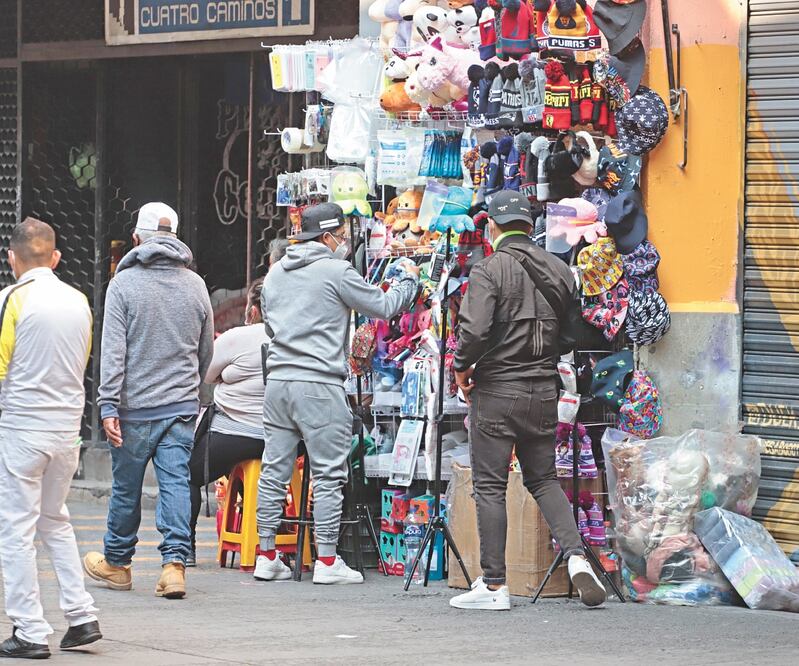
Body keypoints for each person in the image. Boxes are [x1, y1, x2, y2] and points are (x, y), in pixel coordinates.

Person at [450, 191, 606, 611]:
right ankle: (577, 556)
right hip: (543, 392)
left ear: (492, 227)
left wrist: (461, 367)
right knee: (543, 479)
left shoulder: (489, 269)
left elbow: (474, 331)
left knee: (490, 486)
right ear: (528, 224)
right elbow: (571, 336)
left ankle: (494, 585)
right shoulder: (560, 269)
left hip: (498, 391)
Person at [255, 202, 419, 584]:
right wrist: (408, 282)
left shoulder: (275, 274)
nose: (344, 242)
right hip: (318, 385)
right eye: (342, 236)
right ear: (327, 237)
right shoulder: (336, 271)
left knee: (273, 470)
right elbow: (382, 306)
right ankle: (327, 561)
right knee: (329, 474)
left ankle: (266, 555)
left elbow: (270, 328)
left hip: (277, 384)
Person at [84, 202, 214, 600]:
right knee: (175, 483)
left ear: (136, 239)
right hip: (180, 408)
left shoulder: (123, 285)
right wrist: (194, 395)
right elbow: (206, 350)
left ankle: (118, 564)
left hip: (133, 410)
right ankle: (174, 567)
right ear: (175, 238)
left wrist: (108, 405)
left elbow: (113, 352)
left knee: (127, 488)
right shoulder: (196, 285)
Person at [0, 218, 102, 659]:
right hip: (66, 431)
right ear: (55, 257)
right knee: (54, 520)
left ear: (12, 259)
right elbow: (81, 362)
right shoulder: (79, 301)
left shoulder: (11, 299)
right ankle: (81, 616)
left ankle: (29, 630)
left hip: (23, 429)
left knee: (16, 530)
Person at [187, 277, 272, 565]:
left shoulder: (236, 338)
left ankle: (184, 547)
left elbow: (207, 375)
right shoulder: (294, 338)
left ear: (254, 310)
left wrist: (230, 376)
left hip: (233, 435)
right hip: (281, 440)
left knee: (185, 474)